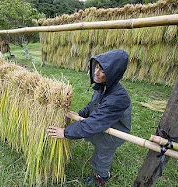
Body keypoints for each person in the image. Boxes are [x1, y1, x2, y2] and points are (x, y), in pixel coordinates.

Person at [47, 49, 132, 186]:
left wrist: (65, 132)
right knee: (95, 138)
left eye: (102, 70)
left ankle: (101, 178)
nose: (96, 73)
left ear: (112, 74)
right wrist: (80, 114)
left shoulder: (117, 98)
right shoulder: (103, 86)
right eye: (96, 67)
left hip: (114, 133)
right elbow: (92, 105)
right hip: (103, 124)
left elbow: (94, 123)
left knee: (102, 155)